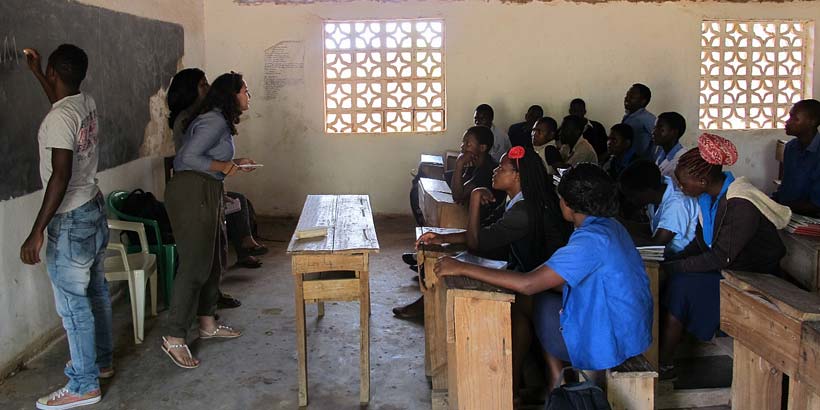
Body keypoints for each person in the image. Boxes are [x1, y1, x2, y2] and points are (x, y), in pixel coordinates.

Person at [435, 163, 652, 387]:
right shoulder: (610, 227)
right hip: (630, 330)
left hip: (607, 339)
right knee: (535, 300)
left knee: (527, 299)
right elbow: (567, 281)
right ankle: (553, 380)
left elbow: (529, 284)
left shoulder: (590, 240)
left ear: (568, 204)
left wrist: (461, 267)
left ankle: (545, 383)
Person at [416, 146, 571, 398]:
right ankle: (517, 383)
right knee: (517, 309)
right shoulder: (519, 201)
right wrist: (443, 238)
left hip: (550, 287)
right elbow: (486, 234)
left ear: (517, 177)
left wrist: (476, 197)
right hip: (541, 280)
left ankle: (514, 384)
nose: (495, 171)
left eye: (502, 168)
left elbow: (479, 242)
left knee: (515, 307)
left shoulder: (524, 211)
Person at [19, 45, 112, 410]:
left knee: (74, 307)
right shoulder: (82, 102)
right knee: (97, 293)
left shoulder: (60, 118)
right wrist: (38, 73)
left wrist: (37, 229)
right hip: (92, 208)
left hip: (70, 219)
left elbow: (60, 175)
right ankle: (101, 363)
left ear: (57, 73)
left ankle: (84, 385)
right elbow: (60, 106)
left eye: (49, 74)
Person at [659, 134, 791, 379]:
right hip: (729, 268)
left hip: (754, 276)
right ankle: (665, 350)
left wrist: (675, 268)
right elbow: (700, 244)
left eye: (683, 182)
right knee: (671, 279)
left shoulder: (741, 202)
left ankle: (665, 361)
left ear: (702, 179)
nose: (680, 187)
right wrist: (666, 263)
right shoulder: (708, 198)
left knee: (683, 285)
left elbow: (720, 257)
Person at [161, 72, 257, 369]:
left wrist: (233, 164)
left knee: (214, 259)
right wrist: (223, 166)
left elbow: (208, 158)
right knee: (194, 265)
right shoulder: (214, 120)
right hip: (192, 191)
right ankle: (174, 337)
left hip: (208, 188)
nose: (248, 96)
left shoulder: (219, 120)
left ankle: (207, 322)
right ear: (231, 95)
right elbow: (186, 158)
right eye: (244, 90)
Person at [619, 160, 698, 255]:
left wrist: (620, 234)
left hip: (682, 258)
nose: (630, 200)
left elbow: (656, 246)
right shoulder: (657, 195)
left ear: (647, 190)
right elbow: (653, 228)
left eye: (632, 195)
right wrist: (622, 224)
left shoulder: (677, 204)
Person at [773, 99, 820, 217]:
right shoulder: (791, 147)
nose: (788, 122)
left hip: (811, 217)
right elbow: (786, 187)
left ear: (812, 122)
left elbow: (816, 204)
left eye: (795, 118)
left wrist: (780, 206)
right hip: (788, 212)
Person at [450, 126, 504, 204]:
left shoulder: (487, 170)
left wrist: (459, 164)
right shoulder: (475, 163)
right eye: (463, 142)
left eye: (468, 144)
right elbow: (460, 186)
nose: (462, 146)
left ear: (482, 148)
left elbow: (457, 196)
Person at [622, 83, 656, 159]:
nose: (627, 98)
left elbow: (658, 142)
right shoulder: (628, 117)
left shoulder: (647, 118)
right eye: (627, 95)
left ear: (642, 101)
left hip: (641, 163)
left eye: (631, 96)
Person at [652, 112, 687, 179]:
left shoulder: (682, 159)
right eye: (654, 128)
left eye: (660, 129)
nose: (654, 132)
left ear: (674, 132)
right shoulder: (661, 155)